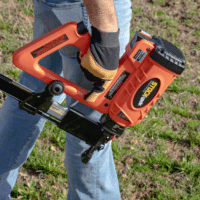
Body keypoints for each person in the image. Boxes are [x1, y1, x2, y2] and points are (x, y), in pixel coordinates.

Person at [0, 0, 132, 199]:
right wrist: (106, 34)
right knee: (91, 125)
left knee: (31, 92)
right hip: (92, 8)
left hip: (66, 5)